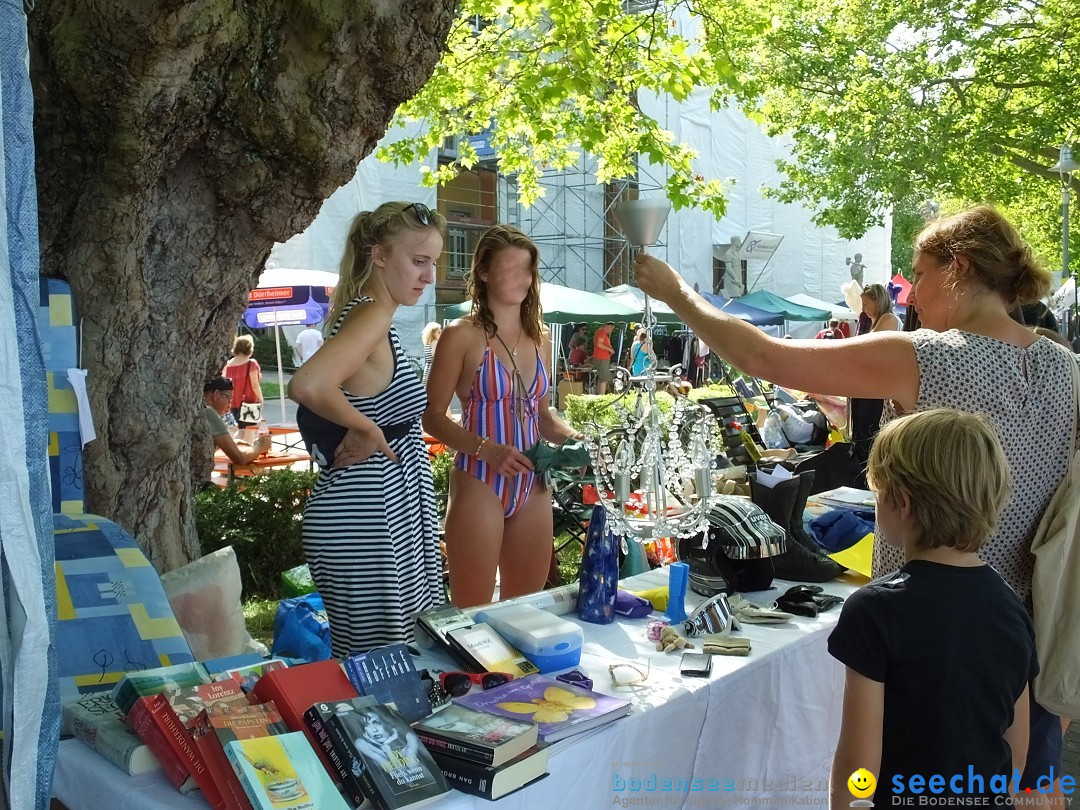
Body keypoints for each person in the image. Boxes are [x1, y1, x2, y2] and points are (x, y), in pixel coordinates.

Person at [634, 205, 1075, 791]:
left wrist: (677, 294)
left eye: (918, 273)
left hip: (923, 635)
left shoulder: (927, 353)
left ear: (958, 268)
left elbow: (766, 358)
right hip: (1021, 634)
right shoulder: (1065, 368)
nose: (912, 292)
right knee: (1014, 788)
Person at [829, 409, 1036, 803]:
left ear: (902, 503)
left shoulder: (874, 610)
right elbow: (1016, 750)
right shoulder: (1011, 607)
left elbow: (859, 766)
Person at [287, 201, 446, 657]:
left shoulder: (370, 312)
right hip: (368, 517)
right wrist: (370, 429)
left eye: (433, 263)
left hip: (383, 513)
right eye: (418, 262)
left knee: (393, 663)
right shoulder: (373, 313)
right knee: (383, 668)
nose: (429, 276)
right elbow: (309, 383)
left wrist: (366, 424)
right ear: (378, 255)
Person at [424, 225, 582, 608]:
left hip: (532, 483)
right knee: (471, 612)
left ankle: (518, 673)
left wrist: (580, 443)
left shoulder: (540, 338)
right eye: (508, 268)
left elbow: (542, 417)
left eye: (526, 269)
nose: (520, 278)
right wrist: (487, 450)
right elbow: (432, 418)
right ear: (483, 272)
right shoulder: (460, 336)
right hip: (479, 477)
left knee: (524, 610)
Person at [848, 283, 902, 486]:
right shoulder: (880, 321)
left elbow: (868, 348)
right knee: (863, 433)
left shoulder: (888, 319)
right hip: (870, 387)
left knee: (867, 433)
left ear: (877, 301)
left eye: (866, 303)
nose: (863, 309)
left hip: (875, 389)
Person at [202, 376, 272, 469]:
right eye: (229, 399)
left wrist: (232, 443)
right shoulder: (209, 412)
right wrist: (260, 447)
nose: (229, 405)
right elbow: (240, 458)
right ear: (216, 395)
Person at [222, 334, 263, 427]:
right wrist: (261, 400)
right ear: (249, 348)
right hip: (249, 403)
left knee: (238, 430)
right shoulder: (251, 363)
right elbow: (254, 385)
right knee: (249, 432)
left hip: (231, 404)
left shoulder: (228, 364)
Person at [591, 321, 615, 394]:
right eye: (612, 328)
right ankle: (602, 397)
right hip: (602, 358)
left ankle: (599, 395)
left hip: (602, 358)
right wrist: (610, 349)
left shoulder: (600, 332)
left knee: (601, 378)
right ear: (608, 326)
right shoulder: (601, 332)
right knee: (604, 379)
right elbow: (599, 344)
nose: (611, 330)